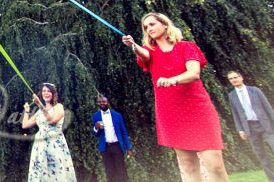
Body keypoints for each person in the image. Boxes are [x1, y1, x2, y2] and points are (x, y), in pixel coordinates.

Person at [122, 12, 228, 182]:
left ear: (165, 25)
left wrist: (172, 80)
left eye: (152, 24)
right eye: (146, 27)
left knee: (214, 164)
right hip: (171, 112)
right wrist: (133, 45)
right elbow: (145, 55)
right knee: (188, 165)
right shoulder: (151, 53)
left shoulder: (186, 46)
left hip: (197, 108)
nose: (149, 28)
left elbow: (194, 73)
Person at [22, 83, 76, 182]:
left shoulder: (58, 107)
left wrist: (39, 104)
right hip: (40, 145)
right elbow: (25, 125)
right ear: (41, 93)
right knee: (42, 172)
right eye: (44, 91)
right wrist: (27, 111)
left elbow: (52, 120)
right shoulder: (39, 112)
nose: (46, 93)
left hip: (54, 143)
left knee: (56, 171)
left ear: (53, 93)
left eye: (48, 91)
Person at [227, 70, 274, 181]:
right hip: (249, 128)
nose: (234, 80)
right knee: (261, 155)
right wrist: (240, 130)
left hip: (265, 125)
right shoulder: (232, 95)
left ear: (241, 77)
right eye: (231, 79)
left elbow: (267, 107)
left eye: (235, 77)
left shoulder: (255, 90)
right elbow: (236, 114)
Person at [92, 95, 133, 182]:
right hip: (105, 148)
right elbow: (95, 134)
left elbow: (124, 132)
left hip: (117, 146)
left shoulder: (117, 115)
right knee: (109, 172)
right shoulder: (96, 116)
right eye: (99, 102)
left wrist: (128, 148)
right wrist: (96, 128)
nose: (101, 103)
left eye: (103, 101)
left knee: (121, 171)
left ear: (108, 103)